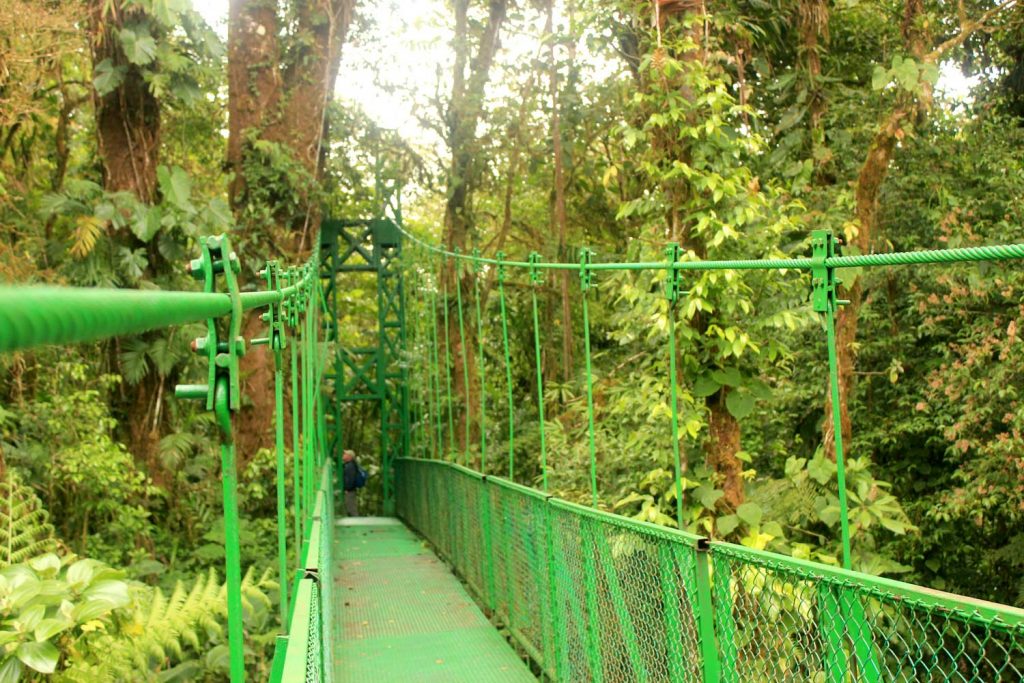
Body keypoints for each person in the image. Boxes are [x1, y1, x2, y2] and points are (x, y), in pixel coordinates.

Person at [342, 450, 361, 517]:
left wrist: (347, 489)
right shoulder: (349, 465)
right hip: (350, 490)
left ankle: (356, 523)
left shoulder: (350, 466)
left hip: (349, 490)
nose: (343, 455)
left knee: (351, 508)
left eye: (345, 454)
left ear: (349, 456)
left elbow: (350, 479)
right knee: (350, 506)